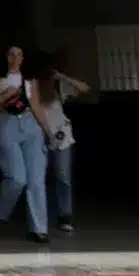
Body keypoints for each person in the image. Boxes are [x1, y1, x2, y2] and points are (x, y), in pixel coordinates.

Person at [0, 46, 52, 243]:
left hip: (30, 125)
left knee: (36, 178)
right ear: (6, 56)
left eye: (19, 54)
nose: (15, 58)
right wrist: (6, 94)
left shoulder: (30, 80)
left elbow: (36, 106)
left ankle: (39, 228)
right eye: (11, 54)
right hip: (7, 122)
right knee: (16, 177)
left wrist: (47, 131)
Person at [39, 61, 90, 233]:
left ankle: (65, 215)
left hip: (62, 138)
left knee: (63, 176)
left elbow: (85, 89)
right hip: (40, 138)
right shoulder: (33, 90)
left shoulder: (59, 88)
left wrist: (63, 77)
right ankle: (43, 214)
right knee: (40, 178)